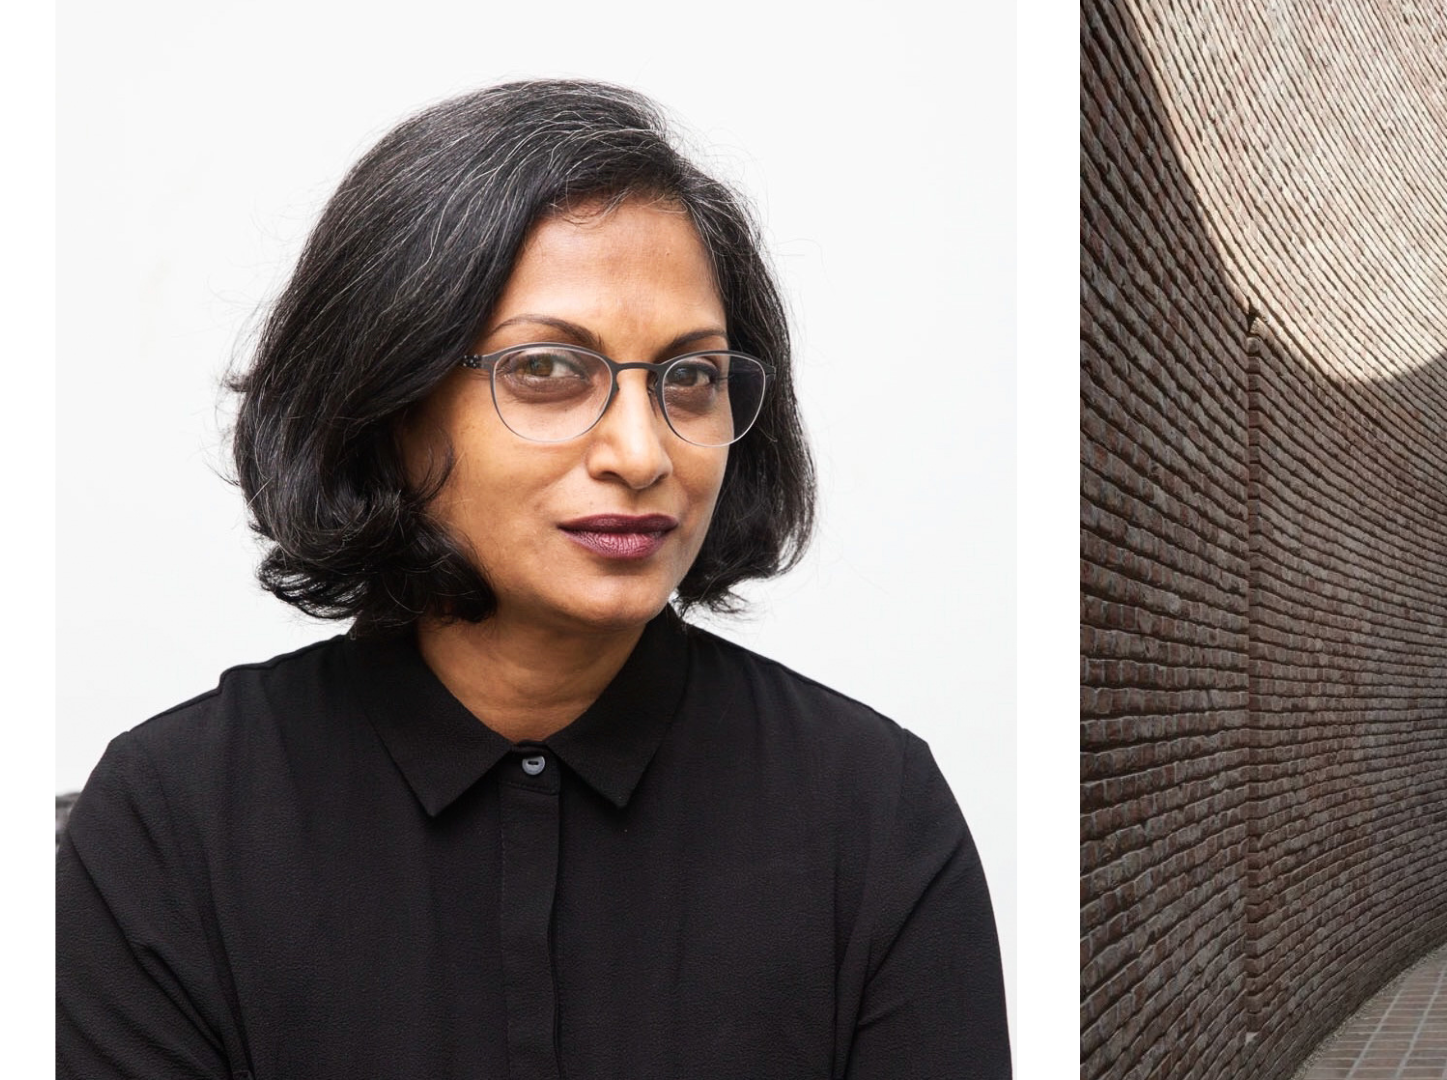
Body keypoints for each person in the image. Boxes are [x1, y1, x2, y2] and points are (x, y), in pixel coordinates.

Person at [57, 80, 1010, 1078]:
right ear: (388, 394)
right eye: (549, 372)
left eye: (690, 377)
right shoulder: (170, 823)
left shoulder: (871, 812)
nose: (642, 453)